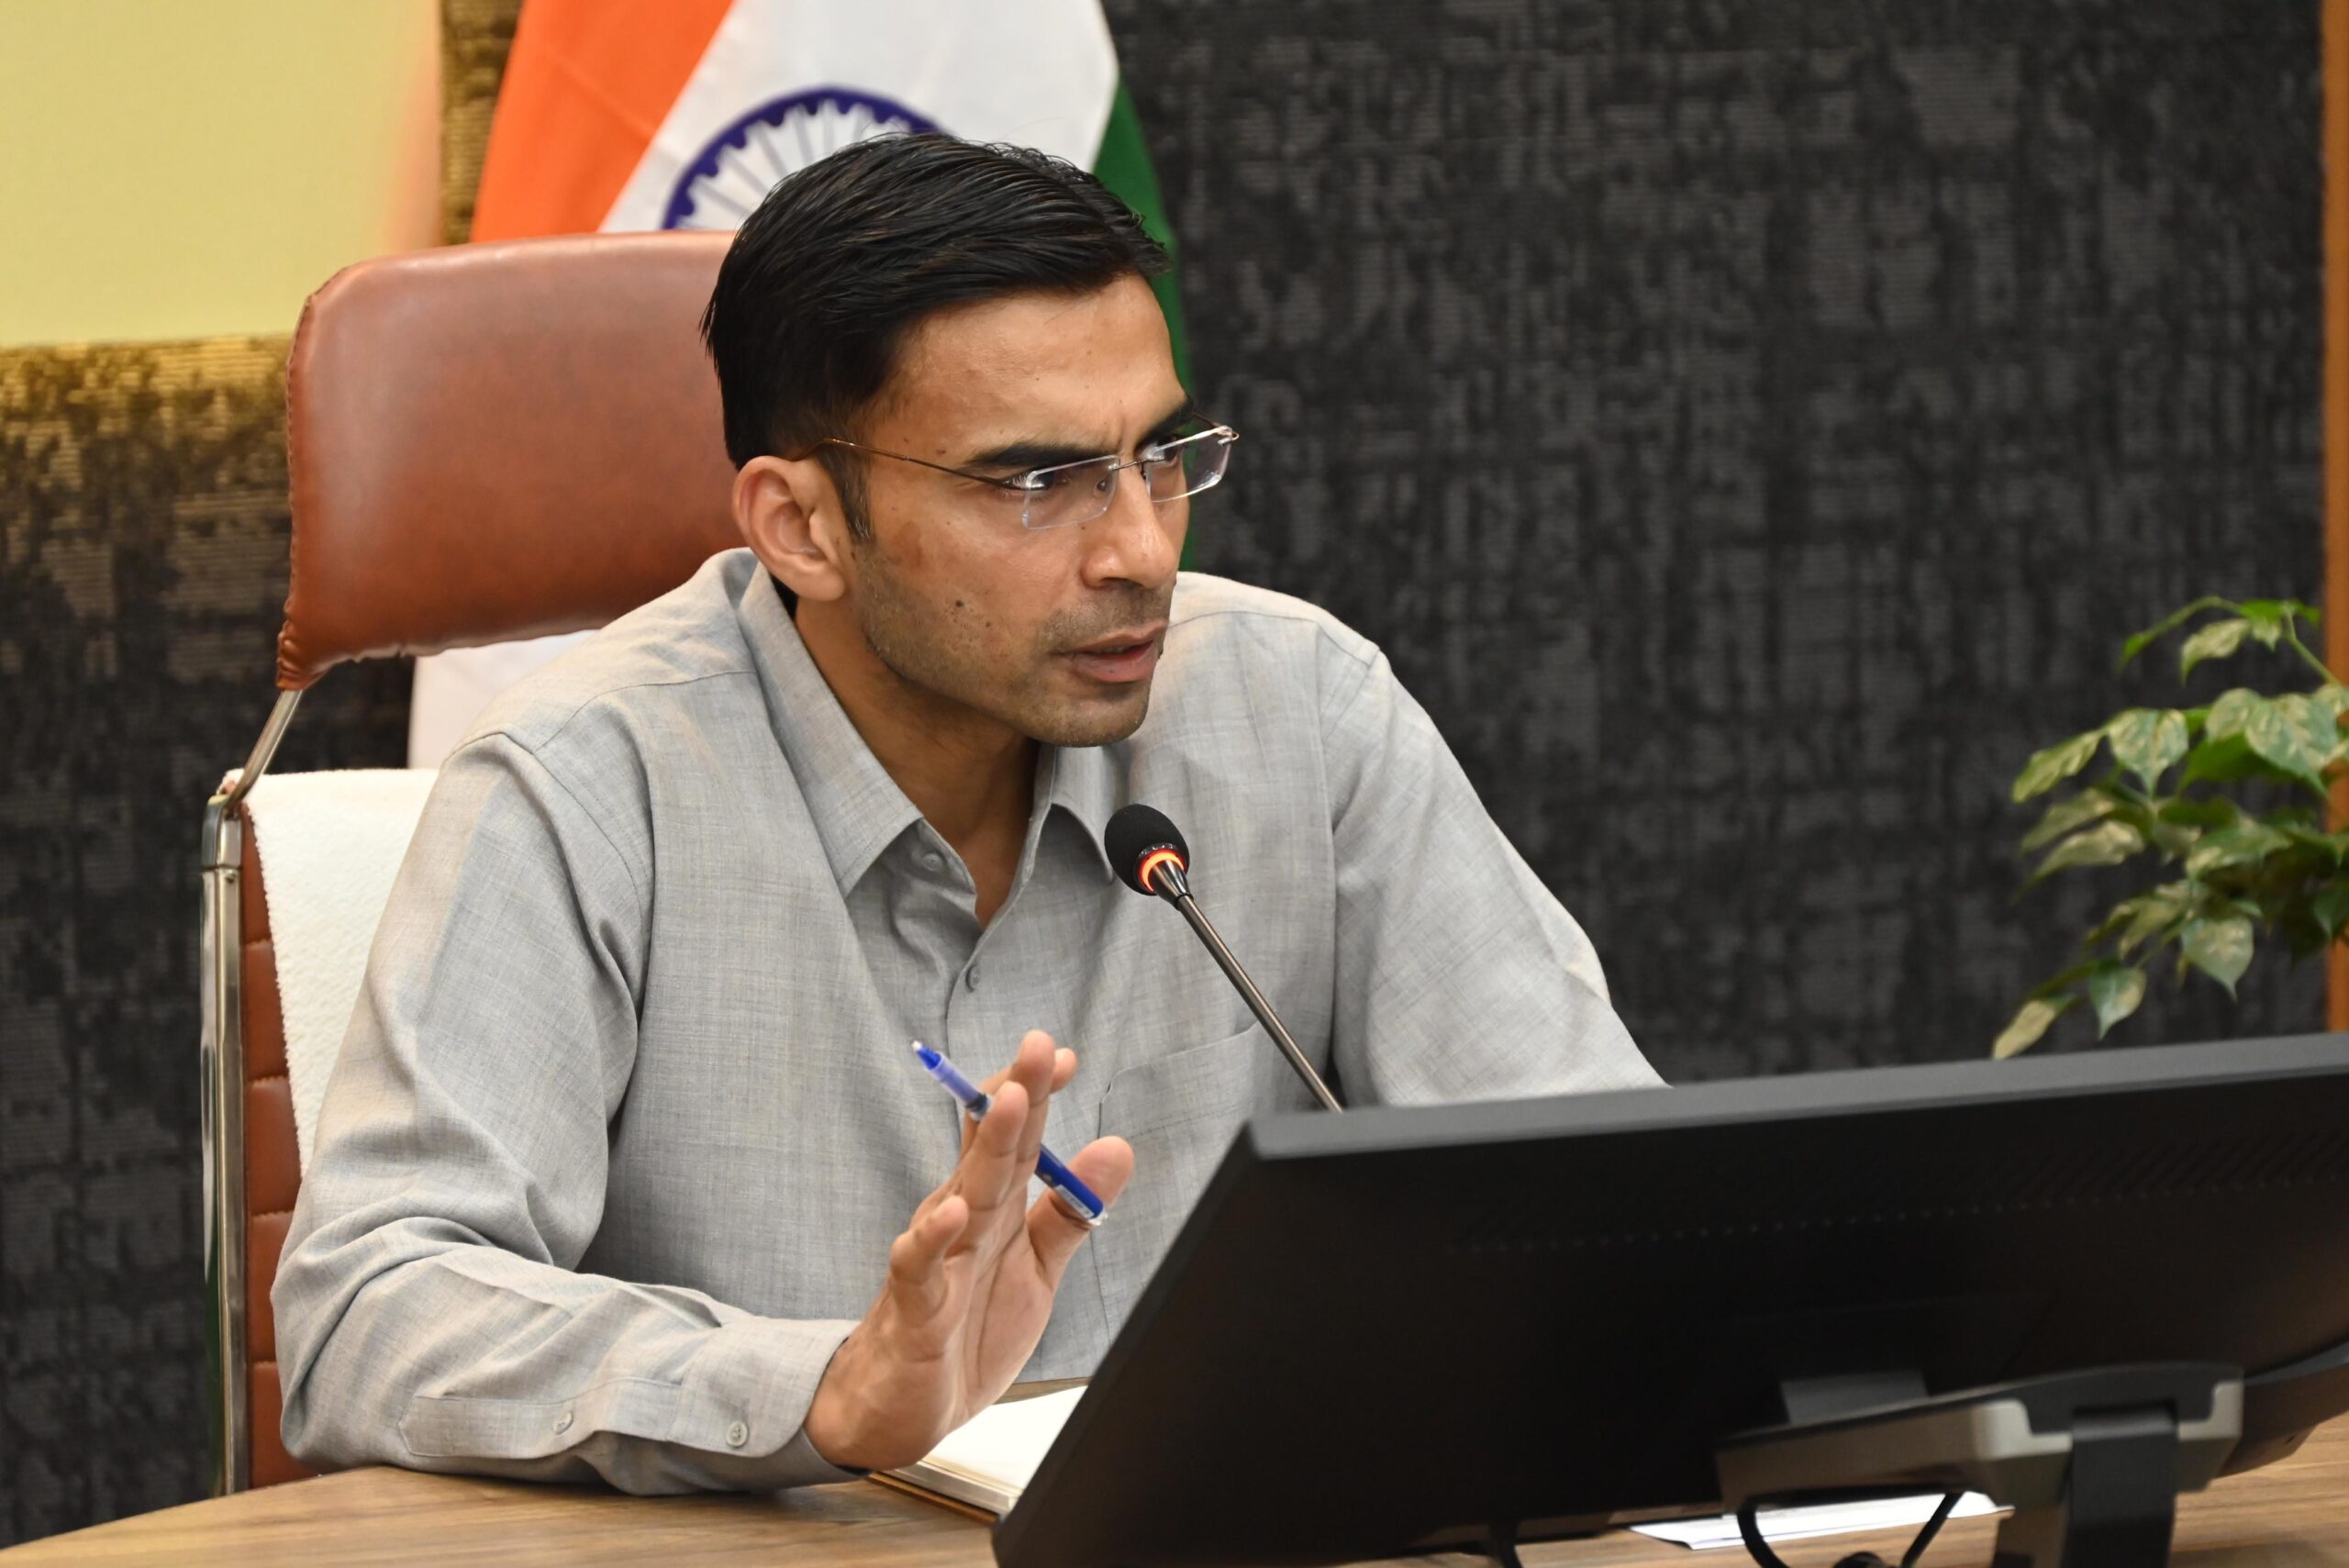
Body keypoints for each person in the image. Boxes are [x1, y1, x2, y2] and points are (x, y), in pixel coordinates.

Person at [274, 134, 1657, 1494]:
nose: (1142, 549)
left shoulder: (1299, 707)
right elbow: (369, 1310)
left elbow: (1608, 1203)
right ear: (803, 527)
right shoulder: (585, 785)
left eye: (1158, 453)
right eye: (1040, 484)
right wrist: (825, 1389)